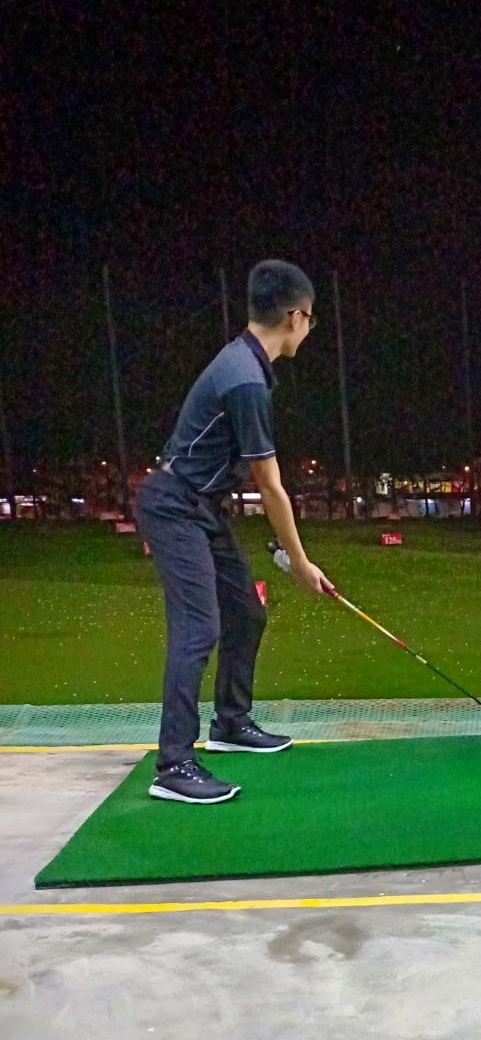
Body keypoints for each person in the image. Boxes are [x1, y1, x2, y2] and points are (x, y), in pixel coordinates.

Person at [136, 260, 335, 804]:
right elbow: (270, 487)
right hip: (174, 506)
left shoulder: (246, 364)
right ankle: (174, 765)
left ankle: (230, 722)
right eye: (311, 320)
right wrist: (300, 562)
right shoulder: (246, 379)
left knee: (245, 612)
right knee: (198, 629)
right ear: (295, 317)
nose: (309, 329)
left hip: (201, 507)